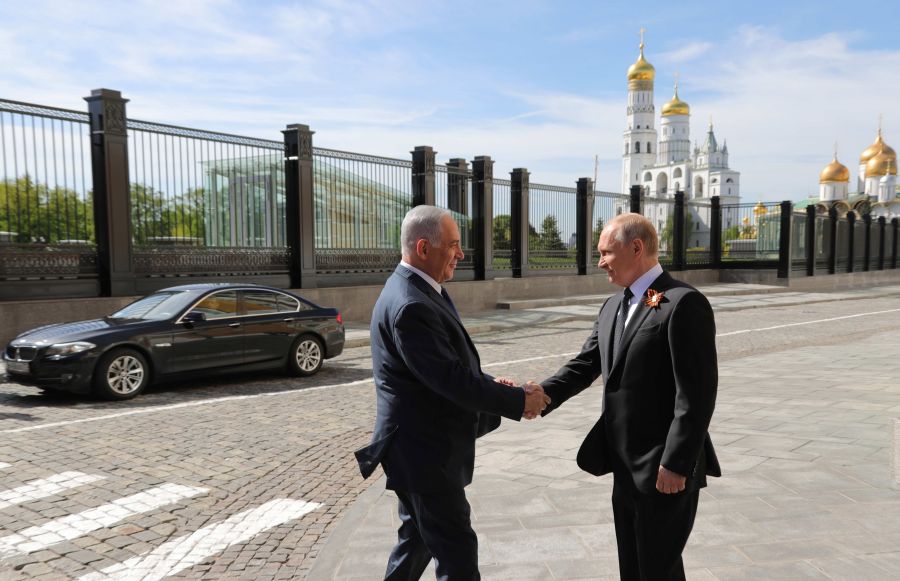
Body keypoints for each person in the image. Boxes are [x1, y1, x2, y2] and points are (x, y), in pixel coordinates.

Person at [355, 205, 549, 581]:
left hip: (420, 451)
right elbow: (450, 381)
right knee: (457, 555)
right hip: (425, 455)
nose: (461, 254)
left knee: (417, 542)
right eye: (454, 245)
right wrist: (517, 400)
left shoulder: (419, 289)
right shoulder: (411, 304)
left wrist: (494, 386)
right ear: (424, 248)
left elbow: (445, 369)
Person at [530, 212, 720, 581]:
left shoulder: (682, 303)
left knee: (656, 568)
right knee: (635, 566)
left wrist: (677, 463)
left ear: (636, 248)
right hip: (624, 464)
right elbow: (585, 365)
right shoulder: (617, 306)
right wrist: (538, 395)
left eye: (606, 253)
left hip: (665, 467)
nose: (600, 262)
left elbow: (696, 396)